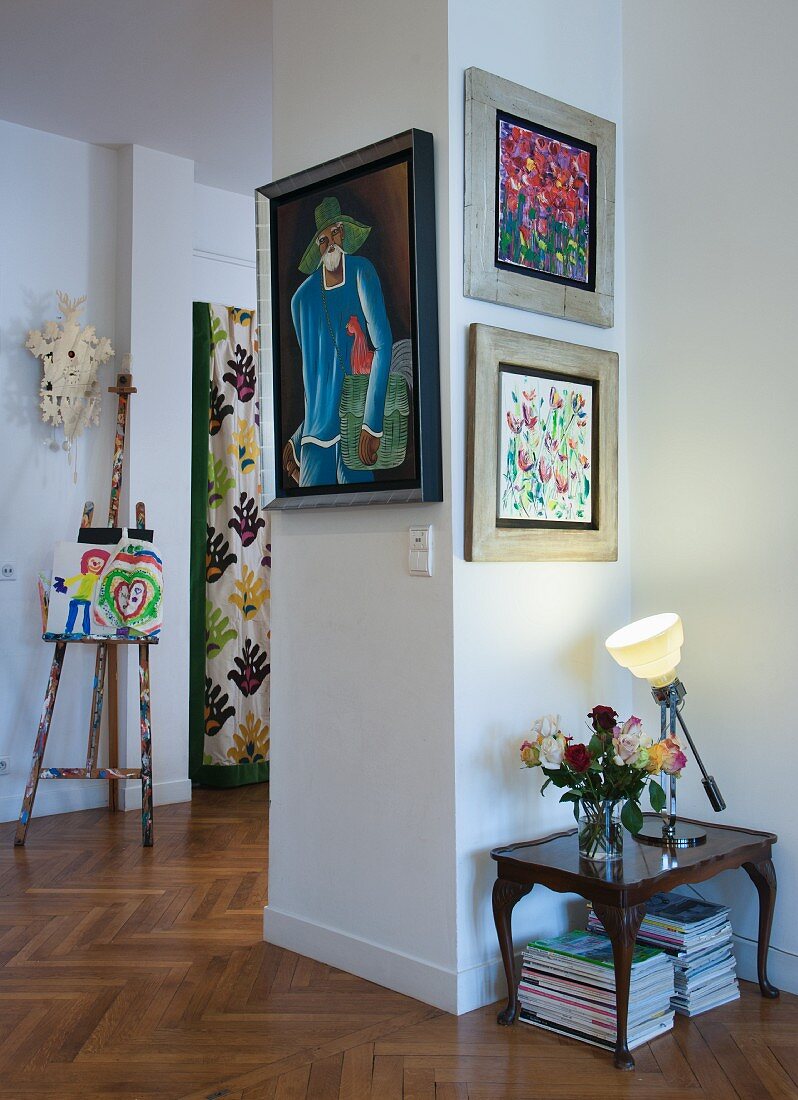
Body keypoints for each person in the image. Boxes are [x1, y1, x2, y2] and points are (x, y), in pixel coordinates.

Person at [283, 196, 392, 487]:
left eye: (335, 232)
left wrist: (373, 423)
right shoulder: (301, 301)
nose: (330, 242)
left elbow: (382, 346)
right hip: (314, 438)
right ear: (317, 247)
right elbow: (314, 378)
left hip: (356, 429)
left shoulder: (361, 272)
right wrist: (299, 436)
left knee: (365, 518)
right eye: (322, 238)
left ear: (343, 233)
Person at [55, 547, 110, 635]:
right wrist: (65, 583)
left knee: (86, 615)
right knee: (73, 610)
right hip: (77, 598)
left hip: (89, 600)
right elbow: (73, 580)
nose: (95, 565)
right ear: (87, 562)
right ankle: (68, 630)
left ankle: (86, 631)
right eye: (93, 562)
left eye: (99, 563)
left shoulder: (99, 579)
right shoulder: (83, 575)